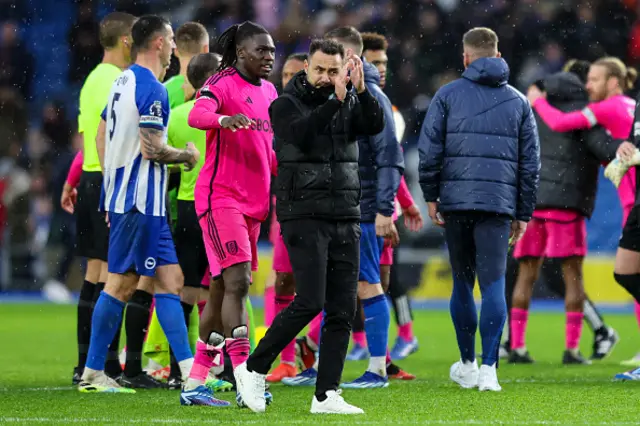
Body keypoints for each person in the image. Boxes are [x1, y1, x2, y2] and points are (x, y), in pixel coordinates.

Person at [234, 38, 384, 415]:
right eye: (319, 70)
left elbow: (374, 125)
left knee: (342, 307)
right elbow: (303, 135)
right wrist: (336, 98)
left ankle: (326, 394)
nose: (326, 77)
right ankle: (253, 366)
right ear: (306, 68)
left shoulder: (350, 98)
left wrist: (362, 93)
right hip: (302, 212)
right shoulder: (284, 104)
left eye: (334, 71)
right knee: (310, 301)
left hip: (345, 212)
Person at [78, 14, 199, 394]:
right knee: (122, 284)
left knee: (171, 280)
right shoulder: (152, 89)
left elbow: (100, 134)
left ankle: (191, 372)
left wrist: (113, 183)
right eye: (171, 41)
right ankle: (94, 373)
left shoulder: (121, 81)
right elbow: (151, 148)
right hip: (139, 204)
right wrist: (187, 156)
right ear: (160, 44)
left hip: (137, 201)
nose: (176, 49)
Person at [418, 27, 540, 392]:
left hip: (456, 202)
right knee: (493, 284)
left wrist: (431, 193)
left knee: (461, 281)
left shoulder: (447, 95)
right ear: (499, 56)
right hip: (498, 206)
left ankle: (468, 364)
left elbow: (429, 152)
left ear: (466, 57)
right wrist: (523, 210)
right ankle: (490, 369)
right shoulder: (519, 101)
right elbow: (530, 164)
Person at [183, 21, 278, 406]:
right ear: (241, 52)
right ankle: (246, 380)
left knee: (222, 288)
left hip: (255, 204)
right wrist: (223, 119)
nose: (269, 57)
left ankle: (194, 383)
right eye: (261, 50)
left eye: (272, 50)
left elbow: (267, 149)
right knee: (239, 281)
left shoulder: (270, 91)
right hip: (220, 197)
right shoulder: (221, 83)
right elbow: (197, 114)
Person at [500, 59, 621, 362]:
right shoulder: (585, 116)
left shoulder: (537, 110)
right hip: (567, 205)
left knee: (525, 275)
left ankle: (516, 346)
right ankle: (572, 348)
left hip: (534, 203)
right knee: (573, 278)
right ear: (584, 83)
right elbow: (605, 150)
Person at [528, 57, 636, 361]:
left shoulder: (606, 108)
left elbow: (561, 122)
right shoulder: (631, 105)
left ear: (612, 82)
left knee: (630, 273)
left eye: (595, 80)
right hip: (630, 197)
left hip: (634, 201)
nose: (588, 86)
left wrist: (538, 101)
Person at [322, 26, 404, 390]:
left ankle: (377, 370)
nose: (327, 69)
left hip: (363, 208)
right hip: (340, 206)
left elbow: (389, 157)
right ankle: (327, 366)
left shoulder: (372, 96)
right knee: (336, 286)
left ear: (350, 58)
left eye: (334, 62)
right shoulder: (341, 94)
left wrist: (384, 209)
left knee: (367, 285)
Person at [60, 11, 137, 386]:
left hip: (90, 179)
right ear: (126, 41)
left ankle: (83, 364)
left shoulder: (92, 79)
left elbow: (87, 138)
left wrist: (72, 179)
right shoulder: (120, 80)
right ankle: (106, 366)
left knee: (95, 275)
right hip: (108, 181)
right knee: (115, 279)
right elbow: (107, 138)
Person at [141, 21, 211, 387]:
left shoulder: (174, 107)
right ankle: (224, 364)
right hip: (219, 209)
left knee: (177, 286)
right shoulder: (225, 119)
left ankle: (174, 367)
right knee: (224, 288)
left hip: (180, 205)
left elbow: (155, 150)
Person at [360, 31, 423, 364]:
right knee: (368, 280)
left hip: (379, 207)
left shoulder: (387, 108)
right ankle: (373, 349)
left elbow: (389, 162)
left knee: (381, 279)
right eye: (374, 62)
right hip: (371, 203)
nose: (380, 68)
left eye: (383, 62)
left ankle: (396, 343)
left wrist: (404, 204)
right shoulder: (366, 102)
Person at [264, 52, 309, 383]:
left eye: (297, 74)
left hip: (321, 208)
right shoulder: (275, 112)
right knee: (281, 281)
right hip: (285, 210)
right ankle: (287, 359)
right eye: (285, 75)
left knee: (334, 284)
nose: (289, 81)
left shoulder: (322, 112)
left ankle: (311, 340)